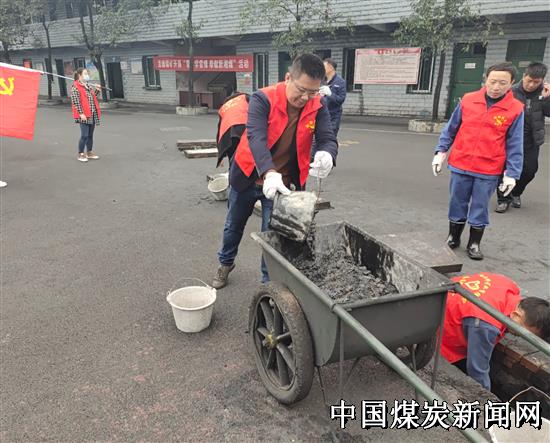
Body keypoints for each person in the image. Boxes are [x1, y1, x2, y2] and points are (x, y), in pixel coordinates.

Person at [212, 53, 338, 289]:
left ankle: (268, 285)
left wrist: (327, 154)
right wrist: (269, 172)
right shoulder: (263, 98)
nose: (305, 98)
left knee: (274, 237)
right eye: (301, 90)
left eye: (313, 92)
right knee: (233, 226)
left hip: (283, 185)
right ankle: (225, 263)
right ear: (288, 78)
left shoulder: (317, 106)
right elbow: (256, 137)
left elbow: (327, 138)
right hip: (249, 175)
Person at [432, 62, 524, 260]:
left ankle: (474, 243)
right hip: (461, 163)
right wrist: (441, 151)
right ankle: (453, 236)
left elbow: (515, 143)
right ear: (485, 79)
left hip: (489, 167)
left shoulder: (515, 109)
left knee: (480, 206)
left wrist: (512, 173)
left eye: (502, 83)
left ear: (511, 83)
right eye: (492, 81)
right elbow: (451, 128)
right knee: (457, 201)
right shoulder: (468, 100)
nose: (496, 87)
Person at [441, 272, 550, 390]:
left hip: (442, 297)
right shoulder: (486, 325)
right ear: (516, 315)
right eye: (523, 333)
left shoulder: (507, 284)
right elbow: (477, 370)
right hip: (436, 332)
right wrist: (486, 397)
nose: (520, 336)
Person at [496, 62, 550, 213]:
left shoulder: (544, 93)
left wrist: (547, 98)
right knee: (504, 170)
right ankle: (503, 199)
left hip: (531, 140)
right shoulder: (511, 91)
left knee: (529, 171)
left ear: (542, 80)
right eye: (529, 80)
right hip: (509, 139)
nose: (531, 85)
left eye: (536, 82)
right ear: (524, 76)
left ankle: (516, 192)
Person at [70, 68, 101, 163]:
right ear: (80, 75)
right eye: (85, 73)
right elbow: (76, 101)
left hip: (92, 113)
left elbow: (93, 98)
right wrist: (81, 113)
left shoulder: (88, 86)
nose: (87, 75)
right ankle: (80, 154)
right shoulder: (75, 87)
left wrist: (97, 90)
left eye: (87, 73)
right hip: (84, 115)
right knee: (84, 135)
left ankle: (89, 152)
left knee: (90, 135)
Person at [319, 58, 347, 137]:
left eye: (324, 67)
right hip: (321, 114)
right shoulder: (321, 81)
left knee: (330, 137)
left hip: (333, 116)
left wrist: (330, 94)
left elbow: (341, 100)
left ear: (331, 67)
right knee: (318, 138)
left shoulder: (340, 82)